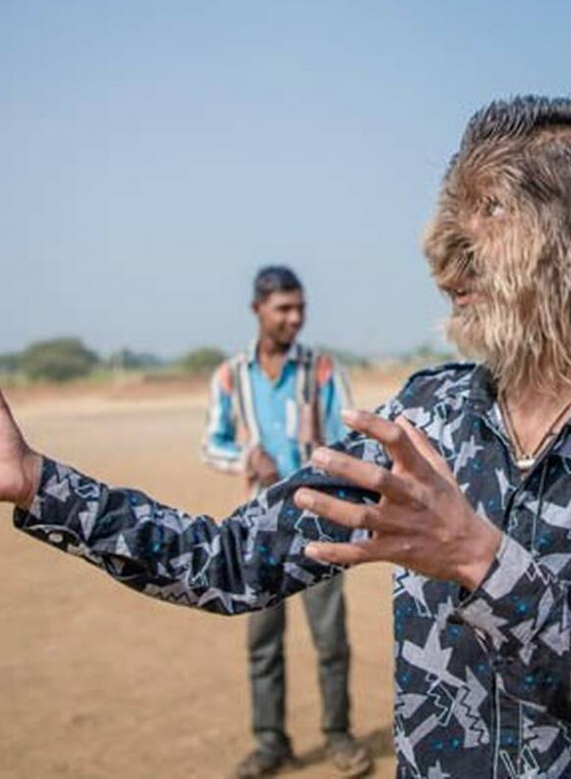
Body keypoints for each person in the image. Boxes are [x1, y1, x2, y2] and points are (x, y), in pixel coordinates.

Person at [0, 96, 571, 778]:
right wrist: (37, 481)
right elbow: (229, 563)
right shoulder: (424, 419)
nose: (445, 263)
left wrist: (480, 559)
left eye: (493, 210)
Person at [200, 265, 372, 778]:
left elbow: (351, 437)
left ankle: (338, 736)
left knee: (330, 640)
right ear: (258, 310)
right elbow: (211, 442)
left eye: (300, 308)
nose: (294, 318)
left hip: (318, 525)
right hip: (256, 530)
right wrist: (245, 458)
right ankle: (271, 743)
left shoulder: (321, 371)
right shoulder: (231, 376)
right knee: (263, 641)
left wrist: (317, 464)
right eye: (284, 309)